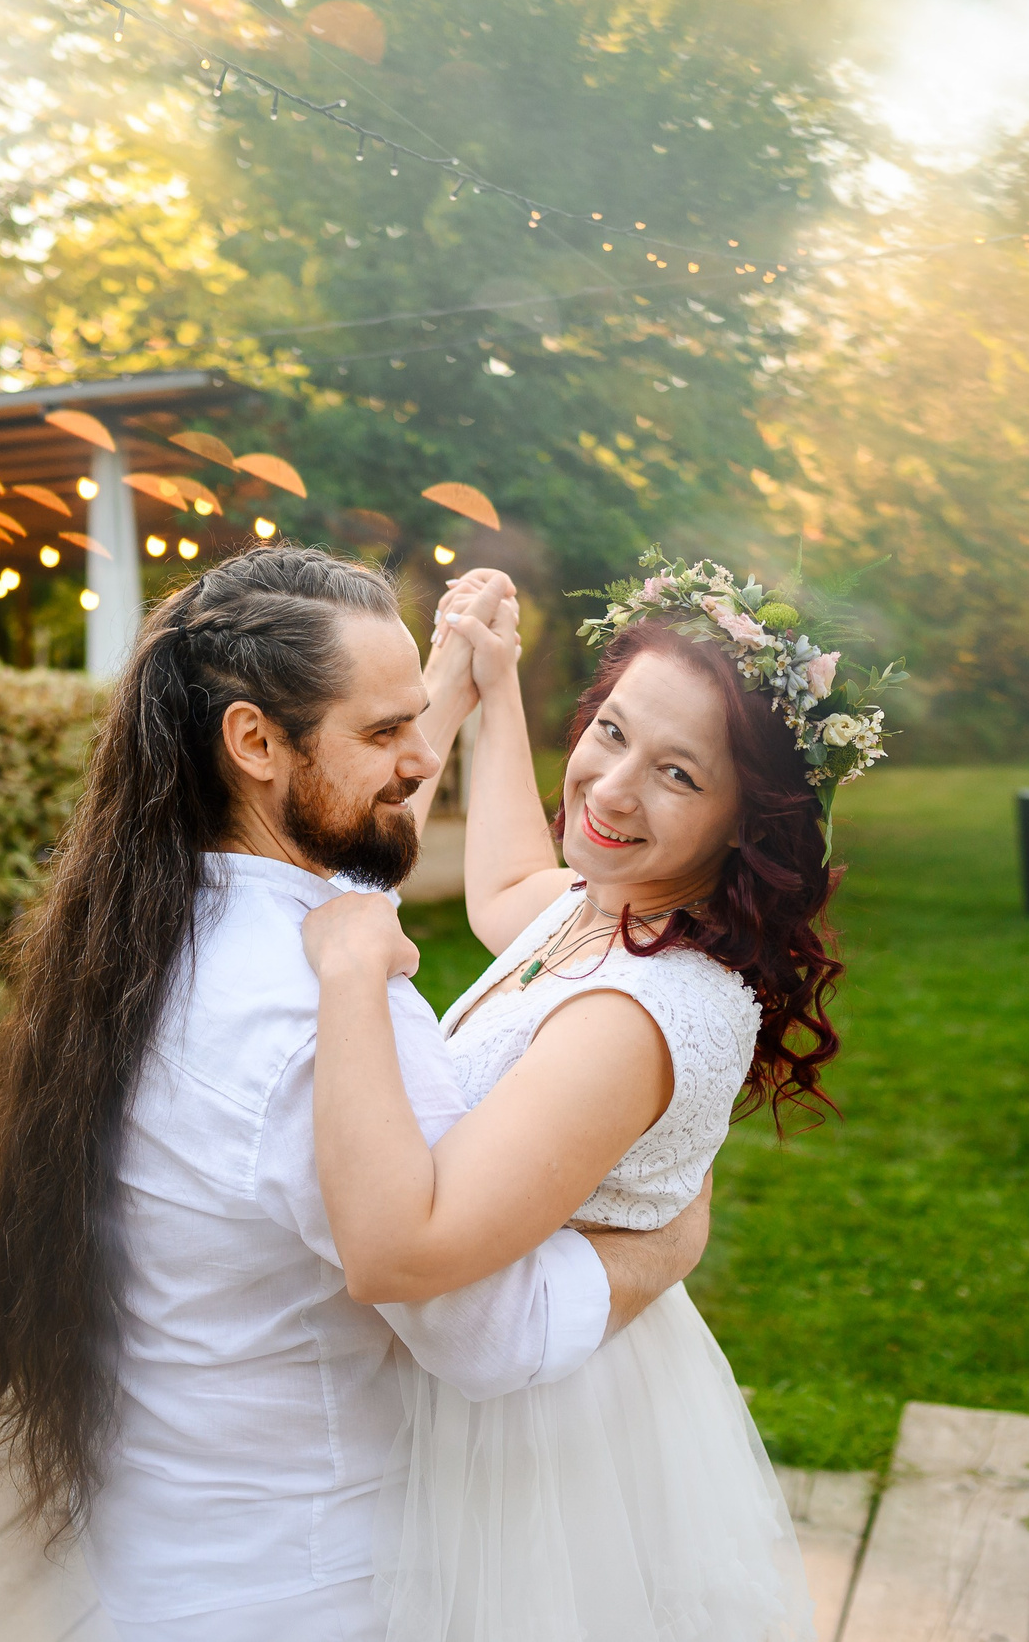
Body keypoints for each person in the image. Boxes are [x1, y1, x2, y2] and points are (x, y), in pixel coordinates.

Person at [0, 545, 714, 1641]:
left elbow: (353, 851)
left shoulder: (158, 913)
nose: (420, 758)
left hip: (160, 1541)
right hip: (309, 1583)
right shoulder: (337, 1015)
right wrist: (668, 1231)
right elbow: (486, 1330)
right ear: (256, 742)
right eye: (385, 730)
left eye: (419, 723)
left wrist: (448, 681)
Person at [299, 552, 892, 1641]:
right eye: (610, 731)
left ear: (746, 819)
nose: (612, 787)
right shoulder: (600, 906)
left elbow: (402, 1250)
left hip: (532, 1454)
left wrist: (350, 967)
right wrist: (491, 684)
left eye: (679, 774)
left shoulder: (636, 1009)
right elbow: (502, 885)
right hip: (489, 1397)